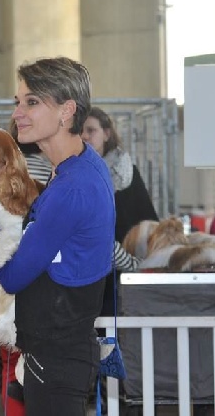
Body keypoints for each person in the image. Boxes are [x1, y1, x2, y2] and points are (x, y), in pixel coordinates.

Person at [0, 57, 114, 415]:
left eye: (32, 102)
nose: (18, 112)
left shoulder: (72, 186)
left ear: (67, 111)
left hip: (57, 358)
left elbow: (12, 275)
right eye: (18, 102)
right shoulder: (78, 166)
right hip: (57, 352)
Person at [81, 106, 157, 315]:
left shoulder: (126, 171)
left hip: (128, 268)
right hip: (92, 271)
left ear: (106, 133)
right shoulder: (75, 172)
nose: (85, 136)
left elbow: (144, 218)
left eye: (91, 130)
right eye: (80, 131)